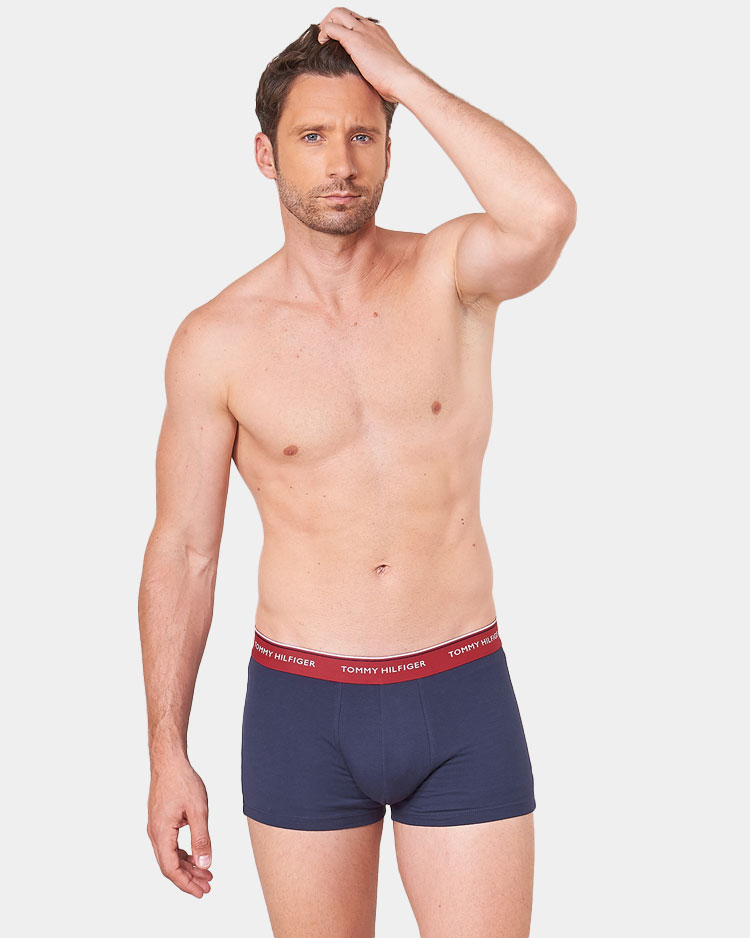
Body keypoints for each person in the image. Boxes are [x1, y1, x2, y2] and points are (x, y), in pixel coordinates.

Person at [138, 8, 576, 936]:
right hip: (303, 708)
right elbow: (184, 552)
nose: (340, 162)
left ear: (388, 149)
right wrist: (166, 751)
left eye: (363, 136)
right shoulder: (216, 341)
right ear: (266, 155)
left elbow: (546, 214)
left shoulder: (450, 275)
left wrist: (404, 78)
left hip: (460, 691)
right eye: (312, 137)